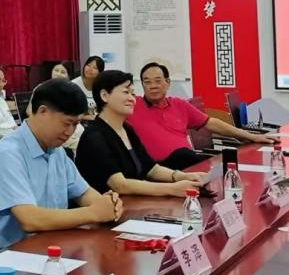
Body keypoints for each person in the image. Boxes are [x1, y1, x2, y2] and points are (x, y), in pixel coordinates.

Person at [0, 79, 123, 250]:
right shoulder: (8, 153)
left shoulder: (56, 150)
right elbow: (30, 220)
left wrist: (108, 205)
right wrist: (94, 213)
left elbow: (84, 193)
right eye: (66, 123)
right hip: (4, 252)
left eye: (76, 124)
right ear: (43, 111)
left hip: (48, 242)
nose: (70, 132)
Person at [75, 71, 208, 197]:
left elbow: (151, 168)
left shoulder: (127, 128)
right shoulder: (94, 136)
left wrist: (182, 176)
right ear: (104, 96)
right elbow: (119, 185)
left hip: (135, 202)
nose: (132, 99)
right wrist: (172, 189)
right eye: (126, 92)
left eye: (133, 94)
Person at [129, 62, 278, 171]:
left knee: (227, 160)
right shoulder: (132, 106)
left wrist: (252, 137)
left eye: (158, 81)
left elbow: (212, 123)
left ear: (167, 82)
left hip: (187, 164)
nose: (153, 86)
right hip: (158, 168)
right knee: (184, 155)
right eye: (147, 82)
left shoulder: (179, 104)